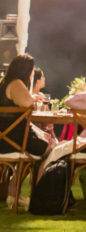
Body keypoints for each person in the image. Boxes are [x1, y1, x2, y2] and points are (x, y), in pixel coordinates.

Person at [0, 54, 51, 209]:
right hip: (12, 141)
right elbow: (27, 103)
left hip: (6, 138)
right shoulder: (16, 84)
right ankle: (34, 196)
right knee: (49, 148)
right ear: (25, 71)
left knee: (43, 143)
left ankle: (14, 193)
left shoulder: (4, 83)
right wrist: (33, 102)